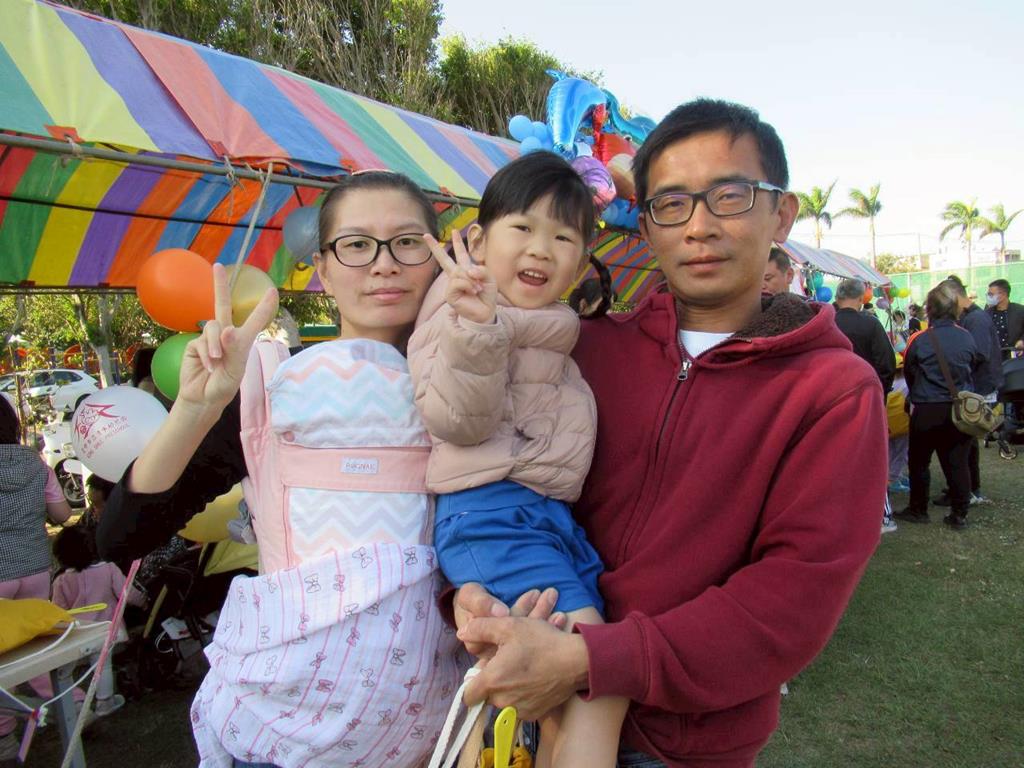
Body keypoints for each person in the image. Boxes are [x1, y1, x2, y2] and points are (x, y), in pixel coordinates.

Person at [452, 99, 886, 768]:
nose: (699, 226)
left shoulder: (831, 392)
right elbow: (494, 481)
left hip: (681, 745)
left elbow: (790, 600)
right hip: (529, 715)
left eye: (730, 197)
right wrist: (467, 591)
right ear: (648, 225)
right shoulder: (585, 349)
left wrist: (592, 660)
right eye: (671, 204)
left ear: (782, 215)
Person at [97, 172, 484, 768]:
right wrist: (197, 409)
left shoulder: (474, 388)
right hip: (281, 731)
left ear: (437, 256)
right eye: (356, 244)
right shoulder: (270, 385)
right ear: (322, 268)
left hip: (426, 733)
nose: (383, 264)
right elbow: (123, 535)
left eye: (407, 242)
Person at [408, 152, 622, 768]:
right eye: (522, 228)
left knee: (545, 699)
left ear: (581, 260)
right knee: (595, 676)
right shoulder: (460, 312)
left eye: (563, 237)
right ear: (478, 241)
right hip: (491, 516)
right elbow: (458, 421)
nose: (540, 249)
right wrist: (476, 328)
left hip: (543, 521)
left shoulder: (554, 326)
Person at [0, 396, 73, 759]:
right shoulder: (35, 463)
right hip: (35, 567)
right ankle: (73, 704)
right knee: (35, 647)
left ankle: (4, 736)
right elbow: (62, 514)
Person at [895, 282, 983, 530]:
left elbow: (910, 371)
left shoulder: (920, 339)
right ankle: (959, 513)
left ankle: (918, 509)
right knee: (957, 461)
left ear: (930, 310)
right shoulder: (966, 336)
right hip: (957, 408)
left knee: (919, 461)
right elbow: (973, 365)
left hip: (927, 407)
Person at [51, 525, 146, 719]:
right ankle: (105, 701)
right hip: (106, 631)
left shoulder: (61, 581)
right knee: (103, 665)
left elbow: (58, 612)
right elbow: (127, 594)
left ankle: (74, 703)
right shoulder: (108, 569)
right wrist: (144, 601)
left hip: (77, 634)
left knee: (65, 671)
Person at [833, 278, 897, 533]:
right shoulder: (870, 324)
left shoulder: (827, 322)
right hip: (865, 400)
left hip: (829, 401)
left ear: (838, 297)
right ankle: (881, 516)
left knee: (835, 458)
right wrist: (879, 393)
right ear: (861, 299)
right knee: (871, 457)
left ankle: (840, 513)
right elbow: (886, 363)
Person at [935, 276, 1002, 506]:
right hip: (971, 386)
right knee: (964, 442)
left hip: (978, 387)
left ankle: (968, 490)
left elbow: (979, 353)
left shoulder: (976, 319)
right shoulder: (969, 318)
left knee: (965, 443)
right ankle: (963, 489)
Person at [985, 278, 1024, 359]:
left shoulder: (1020, 311)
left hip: (1015, 358)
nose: (988, 297)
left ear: (1003, 295)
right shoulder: (986, 313)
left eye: (991, 294)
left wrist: (1022, 341)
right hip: (992, 358)